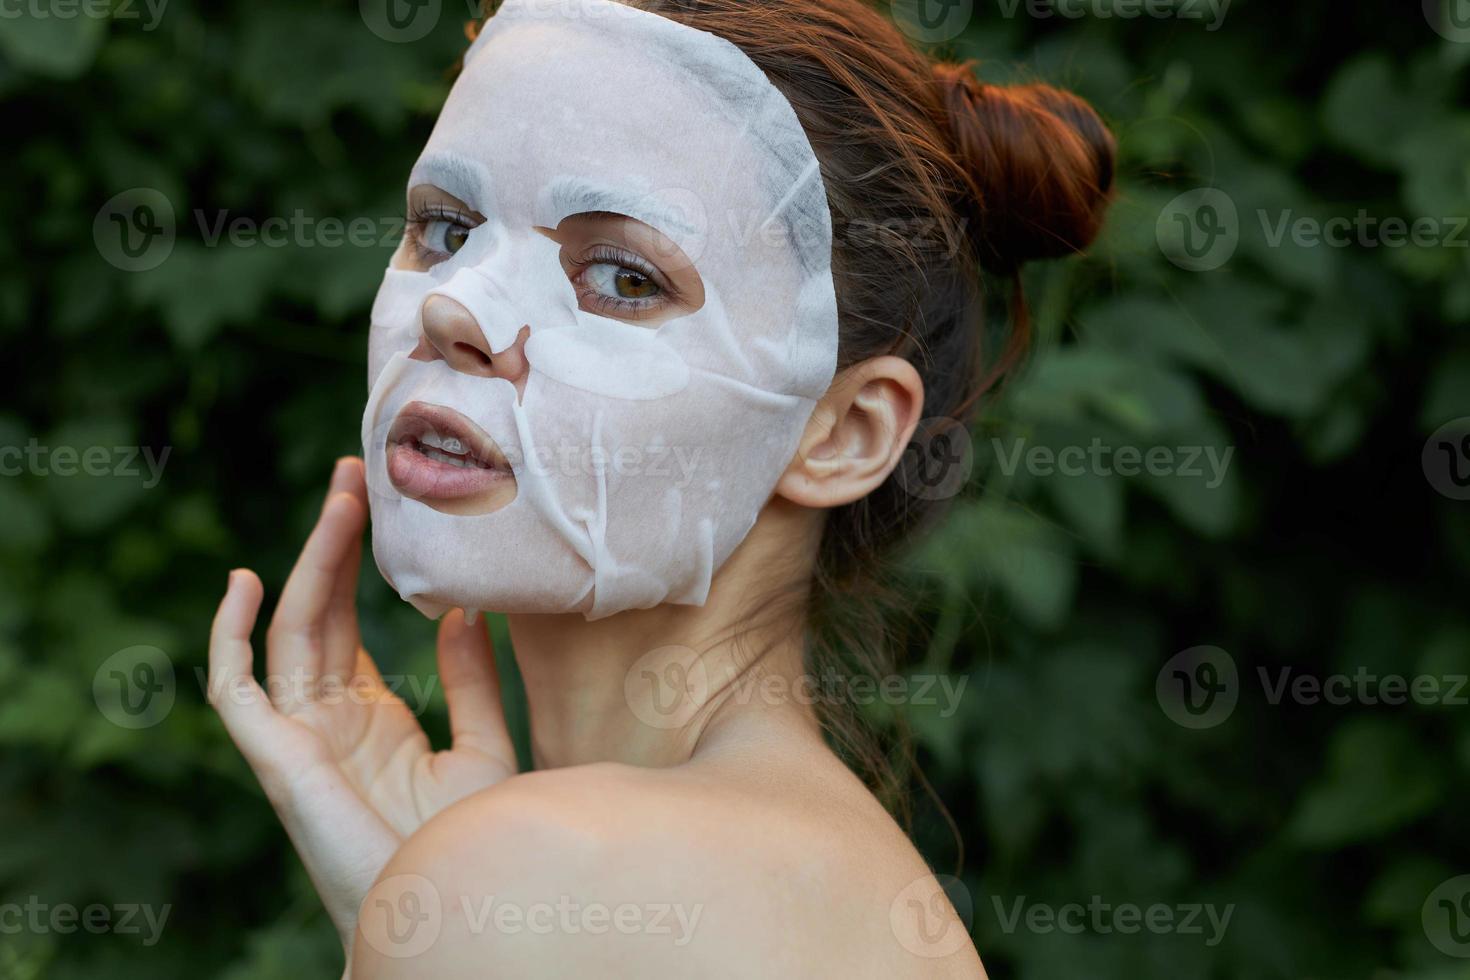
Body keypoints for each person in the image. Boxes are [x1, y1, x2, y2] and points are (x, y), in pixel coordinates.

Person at [208, 0, 1114, 975]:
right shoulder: (864, 896)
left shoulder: (537, 879)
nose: (451, 308)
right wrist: (395, 906)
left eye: (623, 278)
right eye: (445, 227)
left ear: (845, 433)